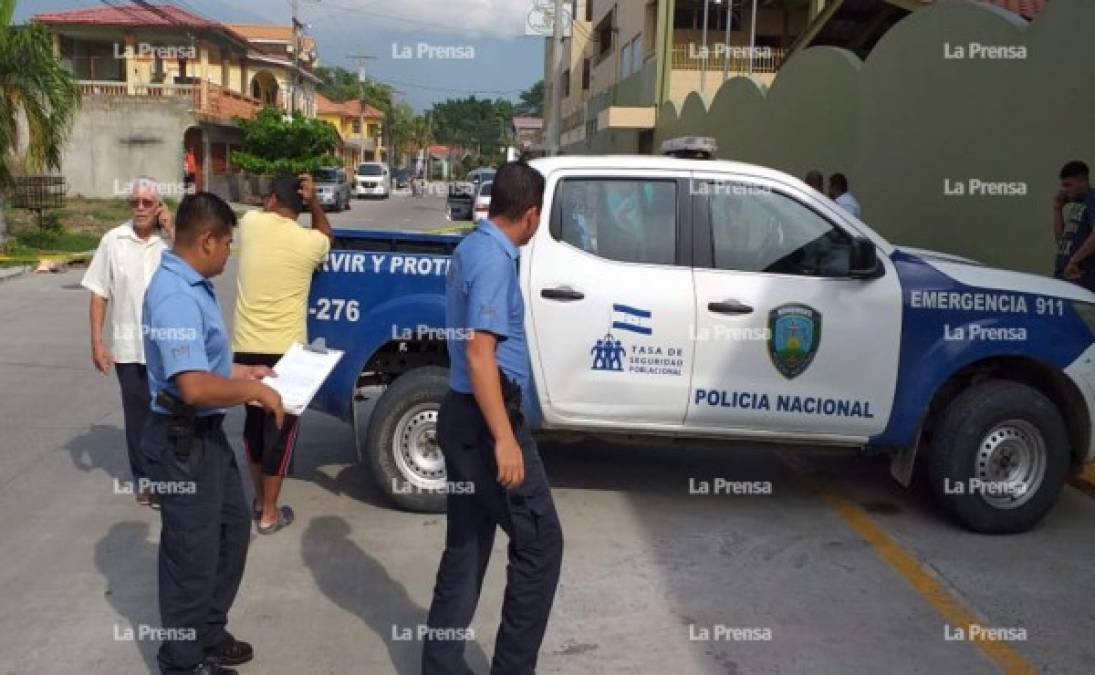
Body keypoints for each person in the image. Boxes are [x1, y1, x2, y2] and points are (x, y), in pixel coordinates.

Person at [422, 162, 564, 675]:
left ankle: (439, 663)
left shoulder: (472, 247)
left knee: (467, 544)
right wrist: (505, 440)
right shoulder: (495, 262)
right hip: (485, 424)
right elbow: (481, 355)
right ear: (530, 213)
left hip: (463, 417)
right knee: (541, 546)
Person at [142, 192, 284, 675]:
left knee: (229, 532)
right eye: (226, 244)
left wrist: (248, 371)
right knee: (191, 556)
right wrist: (251, 393)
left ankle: (206, 631)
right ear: (206, 241)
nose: (228, 253)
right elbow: (194, 386)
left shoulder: (193, 284)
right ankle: (181, 662)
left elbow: (208, 364)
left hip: (205, 438)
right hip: (183, 441)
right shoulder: (175, 295)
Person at [232, 174, 332, 534]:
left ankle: (260, 501)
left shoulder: (250, 224)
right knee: (280, 434)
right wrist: (315, 203)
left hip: (245, 351)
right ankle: (270, 514)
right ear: (298, 206)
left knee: (254, 429)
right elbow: (327, 236)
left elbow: (260, 213)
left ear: (272, 200)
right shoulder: (309, 242)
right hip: (286, 356)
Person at [82, 177, 173, 507]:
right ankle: (147, 481)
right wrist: (97, 342)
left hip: (168, 349)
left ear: (159, 206)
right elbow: (98, 293)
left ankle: (168, 479)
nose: (139, 208)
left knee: (169, 415)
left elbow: (193, 267)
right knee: (138, 419)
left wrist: (172, 227)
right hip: (129, 350)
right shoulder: (113, 240)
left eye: (147, 203)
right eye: (134, 202)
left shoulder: (169, 244)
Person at [1053, 161, 1095, 291]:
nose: (1064, 190)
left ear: (1082, 181)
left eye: (1068, 185)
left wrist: (1074, 261)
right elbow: (1062, 242)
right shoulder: (1078, 205)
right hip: (1066, 281)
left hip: (1083, 282)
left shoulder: (1092, 198)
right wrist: (1057, 209)